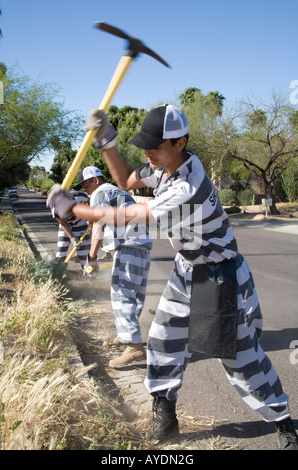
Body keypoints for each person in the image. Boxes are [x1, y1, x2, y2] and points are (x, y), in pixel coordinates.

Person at [47, 104, 298, 450]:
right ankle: (165, 420)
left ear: (180, 143)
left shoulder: (187, 187)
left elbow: (128, 214)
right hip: (186, 269)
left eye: (156, 145)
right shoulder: (164, 167)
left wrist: (73, 208)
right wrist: (107, 141)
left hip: (220, 276)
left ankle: (282, 421)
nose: (148, 152)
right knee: (162, 342)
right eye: (146, 144)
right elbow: (124, 181)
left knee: (240, 358)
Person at [72, 165, 152, 368]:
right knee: (134, 295)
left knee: (121, 294)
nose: (85, 190)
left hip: (128, 246)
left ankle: (134, 346)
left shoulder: (100, 192)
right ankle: (125, 336)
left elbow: (98, 225)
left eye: (86, 185)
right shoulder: (119, 191)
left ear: (96, 180)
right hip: (142, 245)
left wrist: (91, 257)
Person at [55, 191, 92, 275]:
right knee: (61, 252)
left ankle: (90, 277)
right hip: (65, 227)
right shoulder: (55, 209)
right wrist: (72, 239)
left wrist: (90, 215)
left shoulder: (80, 196)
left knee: (85, 256)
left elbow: (90, 201)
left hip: (81, 225)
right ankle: (58, 274)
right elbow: (64, 225)